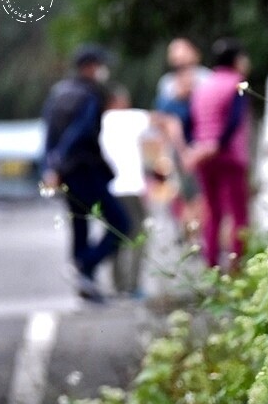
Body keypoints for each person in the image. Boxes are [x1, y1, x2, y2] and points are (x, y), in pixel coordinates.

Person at [41, 43, 131, 303]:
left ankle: (86, 283)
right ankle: (84, 266)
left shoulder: (57, 94)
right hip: (85, 168)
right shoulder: (90, 95)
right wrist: (58, 163)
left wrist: (50, 167)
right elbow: (78, 132)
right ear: (90, 67)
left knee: (79, 224)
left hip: (65, 173)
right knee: (120, 223)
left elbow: (48, 135)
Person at [183, 37, 252, 270]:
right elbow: (234, 120)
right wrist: (219, 144)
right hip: (229, 156)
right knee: (239, 213)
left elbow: (189, 121)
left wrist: (198, 146)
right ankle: (236, 264)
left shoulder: (203, 85)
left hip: (205, 157)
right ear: (237, 60)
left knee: (213, 211)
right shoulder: (237, 83)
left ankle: (211, 262)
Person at [153, 37, 210, 245]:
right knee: (185, 194)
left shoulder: (205, 79)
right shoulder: (168, 84)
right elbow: (162, 116)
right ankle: (191, 233)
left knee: (200, 194)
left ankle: (197, 233)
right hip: (179, 147)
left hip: (203, 144)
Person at [99, 84, 151, 299]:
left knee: (115, 236)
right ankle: (133, 285)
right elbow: (160, 120)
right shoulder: (130, 118)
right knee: (139, 236)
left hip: (108, 189)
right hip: (130, 187)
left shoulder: (98, 121)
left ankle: (117, 284)